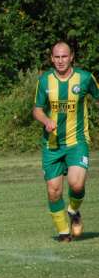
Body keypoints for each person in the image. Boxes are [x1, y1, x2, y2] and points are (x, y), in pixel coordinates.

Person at [32, 40, 99, 242]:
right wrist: (45, 120)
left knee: (76, 185)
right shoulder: (45, 81)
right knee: (54, 192)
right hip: (51, 145)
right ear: (52, 59)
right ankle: (63, 233)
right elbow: (37, 110)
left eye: (64, 56)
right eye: (57, 57)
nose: (61, 61)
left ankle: (74, 211)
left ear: (71, 57)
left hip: (77, 141)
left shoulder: (85, 78)